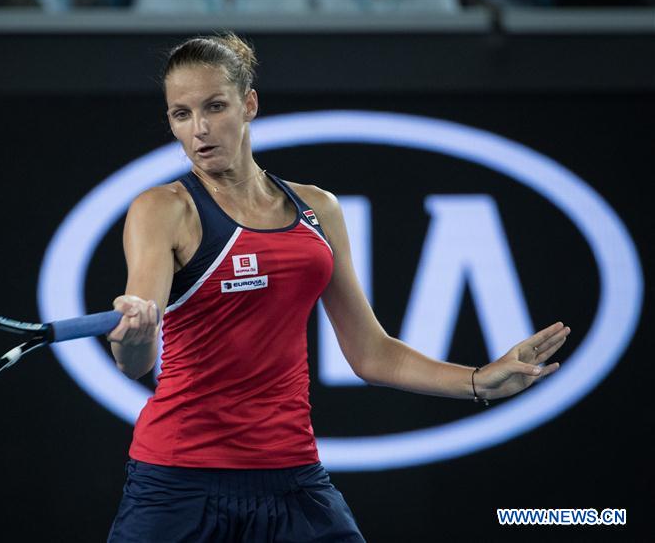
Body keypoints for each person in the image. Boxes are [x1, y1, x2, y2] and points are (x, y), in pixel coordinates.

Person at [104, 32, 569, 543]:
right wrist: (133, 335)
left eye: (215, 106)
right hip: (177, 482)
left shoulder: (318, 209)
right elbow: (136, 362)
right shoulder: (162, 209)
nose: (200, 129)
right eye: (182, 114)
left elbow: (371, 353)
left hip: (293, 477)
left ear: (249, 104)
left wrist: (479, 381)